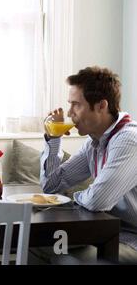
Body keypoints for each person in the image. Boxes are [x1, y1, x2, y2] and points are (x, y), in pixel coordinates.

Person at [39, 66, 137, 264]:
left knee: (65, 257)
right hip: (106, 232)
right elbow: (51, 186)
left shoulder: (129, 141)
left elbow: (97, 201)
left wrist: (70, 201)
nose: (69, 113)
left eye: (76, 105)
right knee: (38, 244)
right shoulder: (94, 143)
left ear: (101, 106)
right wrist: (53, 138)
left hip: (131, 238)